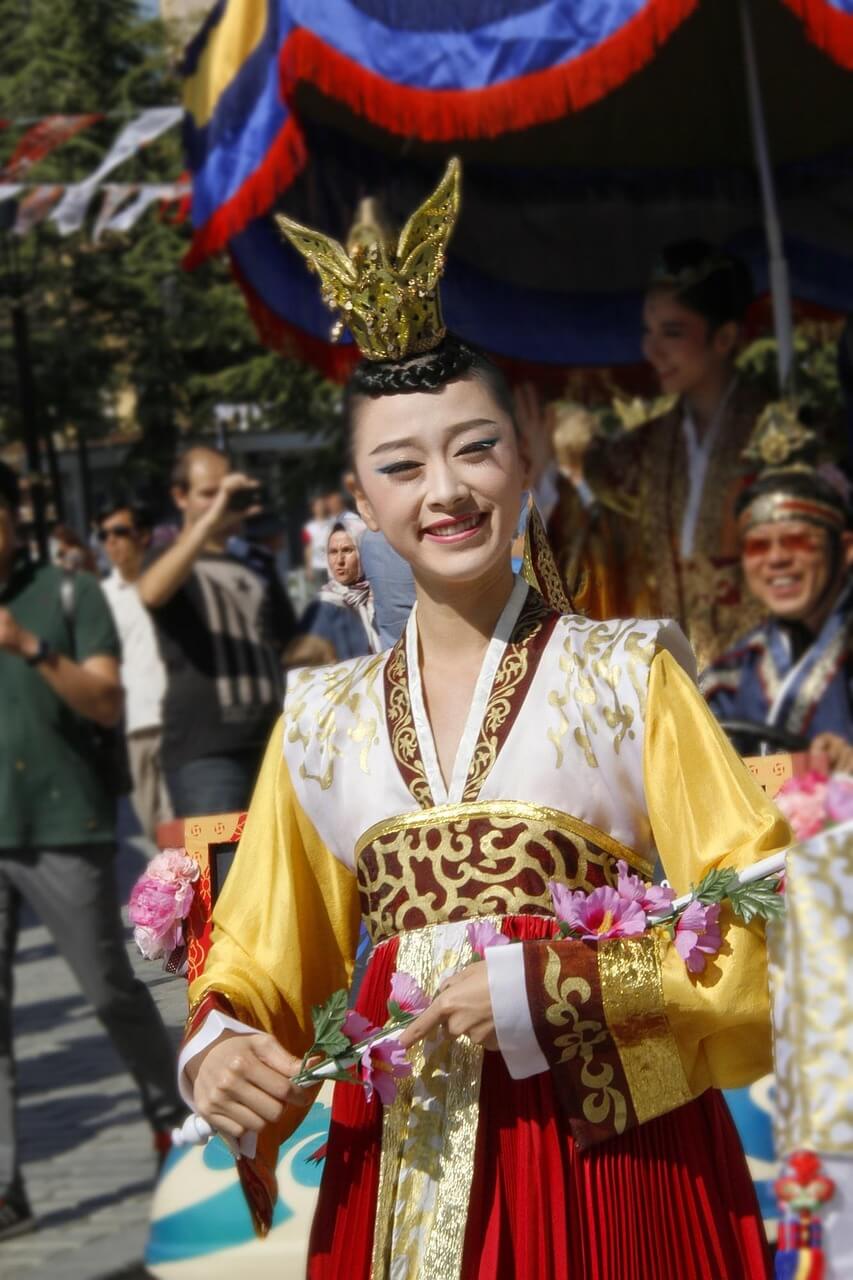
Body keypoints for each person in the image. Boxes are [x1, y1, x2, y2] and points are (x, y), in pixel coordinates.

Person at [178, 162, 787, 1278]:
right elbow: (266, 946)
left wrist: (547, 985)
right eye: (400, 465)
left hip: (612, 1158)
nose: (444, 490)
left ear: (525, 451)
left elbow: (752, 910)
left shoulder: (622, 672)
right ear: (360, 501)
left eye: (473, 447)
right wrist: (220, 1039)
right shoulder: (321, 719)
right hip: (399, 1154)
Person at [0, 462, 183, 1240]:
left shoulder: (69, 596)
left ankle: (171, 1104)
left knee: (107, 986)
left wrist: (28, 645)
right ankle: (7, 1186)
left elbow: (107, 703)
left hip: (63, 825)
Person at [548, 239, 766, 669]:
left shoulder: (776, 441)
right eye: (649, 331)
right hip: (667, 678)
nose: (652, 349)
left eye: (673, 332)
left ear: (724, 337)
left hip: (757, 679)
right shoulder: (643, 447)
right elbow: (591, 532)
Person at [137, 446, 296, 818]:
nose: (221, 502)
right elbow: (152, 591)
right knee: (219, 875)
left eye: (227, 492)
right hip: (206, 753)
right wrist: (208, 521)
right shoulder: (167, 556)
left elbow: (289, 644)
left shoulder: (254, 561)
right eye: (209, 493)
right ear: (180, 497)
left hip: (274, 744)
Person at [702, 404, 853, 769]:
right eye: (758, 546)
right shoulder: (731, 675)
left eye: (798, 541)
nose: (776, 559)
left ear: (846, 549)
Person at [97, 497, 172, 844]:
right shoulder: (100, 598)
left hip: (176, 720)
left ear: (143, 536)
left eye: (120, 532)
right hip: (135, 724)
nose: (111, 541)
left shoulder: (168, 582)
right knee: (152, 827)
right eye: (104, 534)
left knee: (183, 827)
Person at [302, 523, 380, 659]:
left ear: (363, 553)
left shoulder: (380, 596)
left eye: (347, 550)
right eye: (333, 552)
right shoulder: (324, 606)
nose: (339, 560)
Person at [302, 492, 331, 587]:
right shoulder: (309, 527)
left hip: (331, 566)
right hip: (317, 566)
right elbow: (308, 547)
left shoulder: (333, 523)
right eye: (318, 505)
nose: (321, 507)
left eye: (322, 505)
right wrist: (308, 568)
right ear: (313, 508)